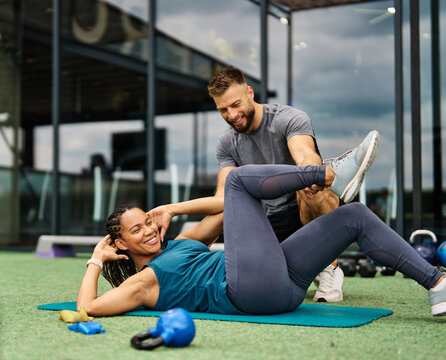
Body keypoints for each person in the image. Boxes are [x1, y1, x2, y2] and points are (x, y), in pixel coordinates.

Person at [77, 148, 446, 317]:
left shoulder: (184, 242)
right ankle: (327, 174)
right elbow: (88, 308)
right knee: (238, 178)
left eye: (148, 221)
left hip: (282, 285)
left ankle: (436, 285)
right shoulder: (143, 283)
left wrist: (173, 209)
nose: (149, 231)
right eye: (137, 229)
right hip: (249, 292)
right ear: (120, 243)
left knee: (355, 215)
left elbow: (225, 207)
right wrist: (97, 257)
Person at [207, 66, 380, 302]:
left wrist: (311, 175)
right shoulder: (226, 143)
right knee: (256, 283)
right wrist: (173, 212)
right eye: (223, 110)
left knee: (308, 180)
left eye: (235, 104)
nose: (231, 115)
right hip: (275, 219)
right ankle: (309, 266)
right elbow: (222, 198)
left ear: (250, 92)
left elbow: (306, 158)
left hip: (306, 204)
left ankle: (329, 269)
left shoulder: (287, 118)